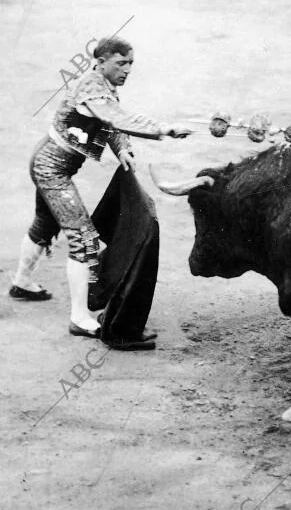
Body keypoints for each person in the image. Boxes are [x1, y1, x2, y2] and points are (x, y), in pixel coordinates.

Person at [9, 37, 191, 346]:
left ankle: (22, 283)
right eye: (121, 63)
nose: (128, 69)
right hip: (52, 170)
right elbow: (115, 118)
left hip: (50, 164)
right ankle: (80, 318)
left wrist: (123, 150)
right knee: (83, 238)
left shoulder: (104, 88)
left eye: (131, 63)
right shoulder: (92, 87)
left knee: (45, 224)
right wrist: (163, 128)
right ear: (101, 61)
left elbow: (111, 127)